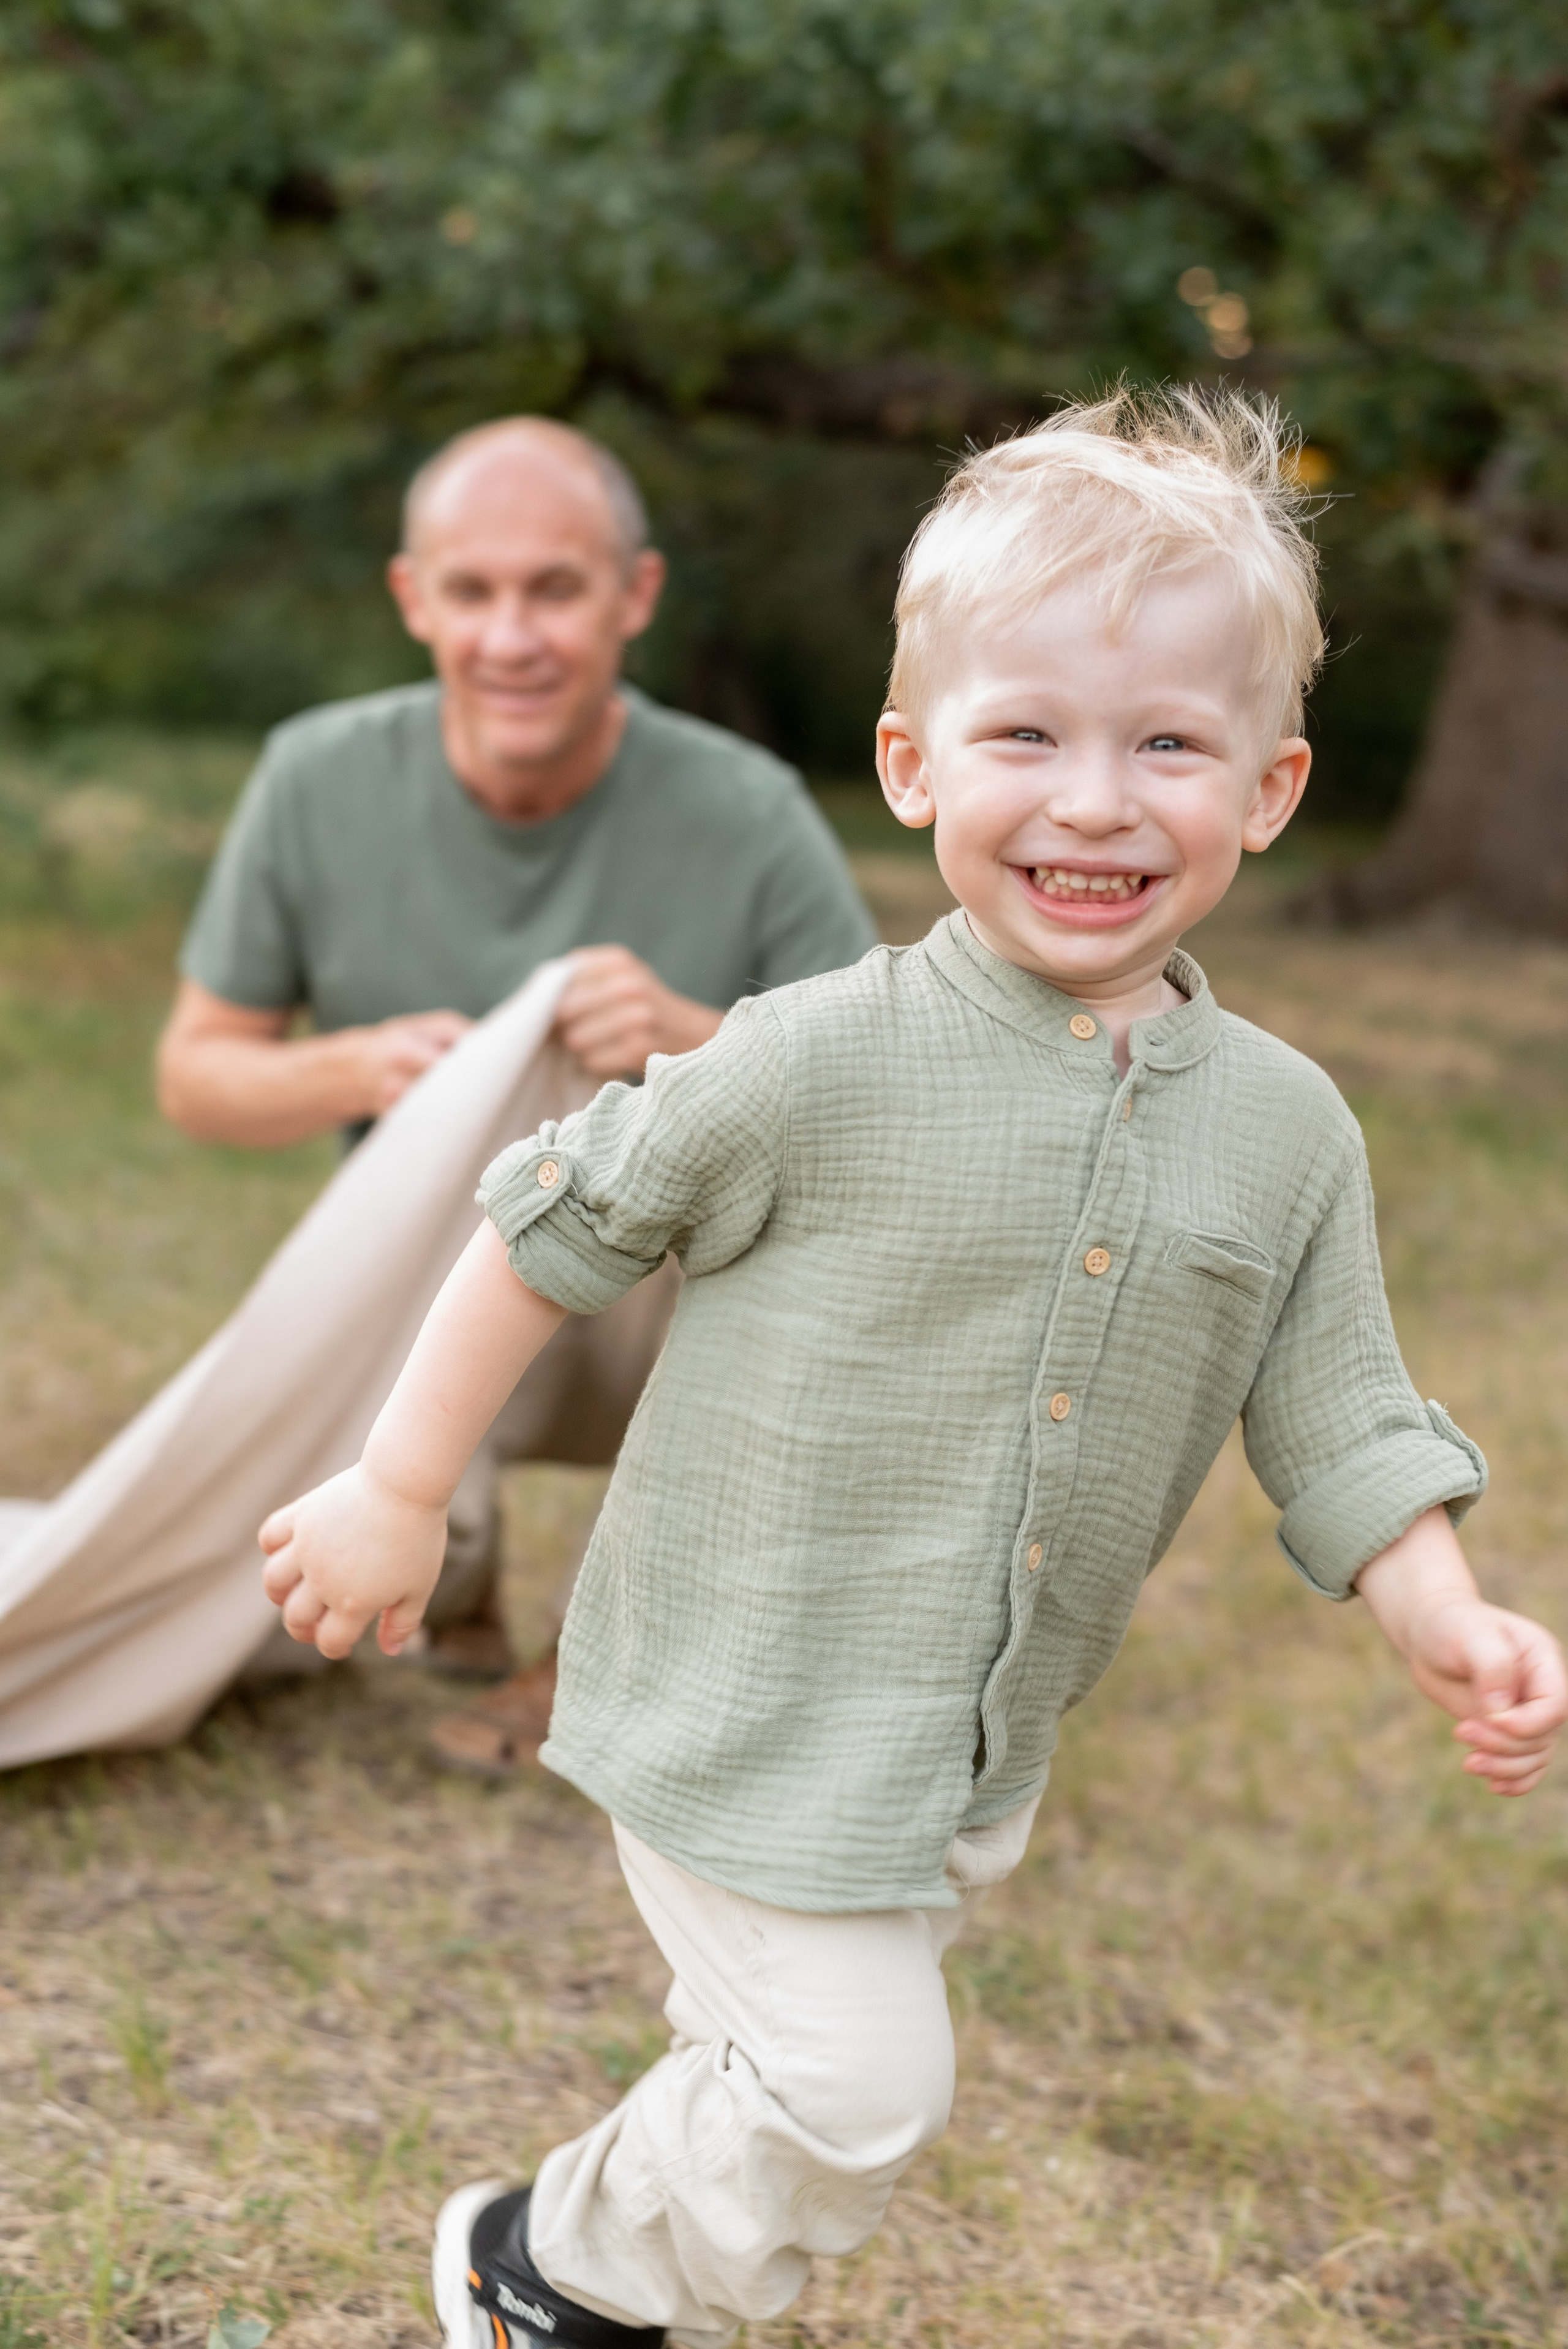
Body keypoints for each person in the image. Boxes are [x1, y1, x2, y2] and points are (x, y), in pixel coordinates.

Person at [254, 388, 1567, 2349]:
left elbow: (1341, 1399)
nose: (1097, 800)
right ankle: (555, 2271)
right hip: (736, 1688)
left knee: (792, 2058)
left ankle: (629, 2261)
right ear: (911, 762)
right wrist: (394, 1480)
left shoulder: (1288, 1130)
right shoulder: (807, 1055)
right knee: (863, 2084)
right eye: (1026, 733)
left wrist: (1441, 1604)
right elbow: (554, 1221)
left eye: (1169, 746)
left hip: (955, 1742)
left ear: (1272, 789)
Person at [156, 416, 875, 1761]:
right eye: (472, 592)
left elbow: (892, 1104)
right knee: (208, 1591)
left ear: (633, 597)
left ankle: (614, 1644)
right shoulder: (315, 777)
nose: (512, 636)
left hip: (669, 1304)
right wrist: (361, 1067)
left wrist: (691, 1037)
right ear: (412, 599)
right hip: (426, 1297)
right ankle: (455, 1573)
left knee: (786, 1252)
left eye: (555, 588)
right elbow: (198, 1078)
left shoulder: (750, 808)